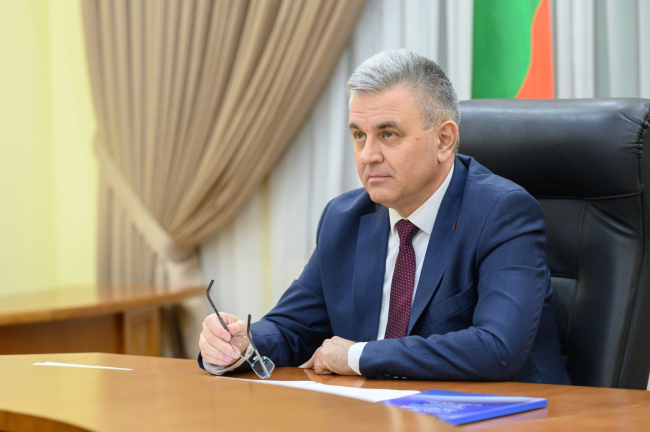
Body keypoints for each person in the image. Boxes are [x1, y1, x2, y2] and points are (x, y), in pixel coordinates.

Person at [197, 49, 571, 384]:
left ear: (444, 141)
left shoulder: (502, 213)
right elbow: (290, 328)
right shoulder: (344, 218)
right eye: (359, 135)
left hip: (511, 417)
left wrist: (357, 356)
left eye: (388, 134)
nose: (367, 156)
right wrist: (240, 344)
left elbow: (496, 348)